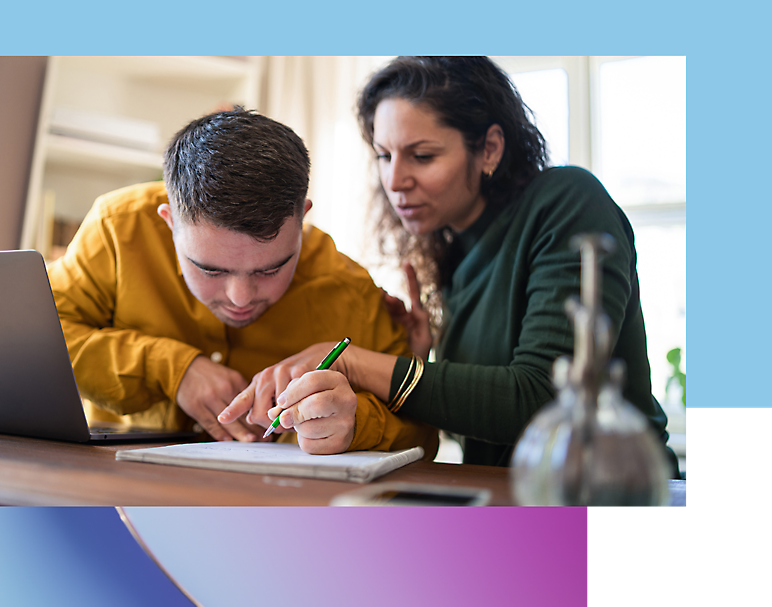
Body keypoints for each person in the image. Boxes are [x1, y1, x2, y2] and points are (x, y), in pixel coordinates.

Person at [222, 56, 677, 473]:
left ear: (490, 149)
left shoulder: (567, 202)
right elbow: (479, 424)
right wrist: (419, 354)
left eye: (422, 156)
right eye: (384, 156)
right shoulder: (452, 254)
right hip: (512, 500)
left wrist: (361, 365)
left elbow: (542, 401)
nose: (395, 180)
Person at [47, 108, 436, 456]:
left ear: (302, 217)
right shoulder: (117, 228)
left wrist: (355, 425)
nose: (240, 298)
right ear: (169, 221)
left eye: (270, 269)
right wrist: (171, 368)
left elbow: (422, 435)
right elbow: (42, 338)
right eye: (211, 270)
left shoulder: (349, 289)